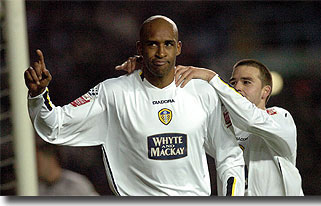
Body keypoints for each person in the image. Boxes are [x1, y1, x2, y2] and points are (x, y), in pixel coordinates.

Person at [24, 15, 245, 196]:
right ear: (140, 47)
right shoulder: (113, 94)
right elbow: (55, 126)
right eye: (152, 44)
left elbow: (229, 154)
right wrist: (38, 94)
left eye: (168, 44)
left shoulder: (201, 92)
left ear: (178, 48)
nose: (160, 52)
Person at [116, 58, 304, 196]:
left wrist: (212, 78)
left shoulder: (280, 119)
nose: (237, 87)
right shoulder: (223, 128)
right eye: (233, 82)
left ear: (266, 91)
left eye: (246, 82)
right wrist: (153, 69)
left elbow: (250, 119)